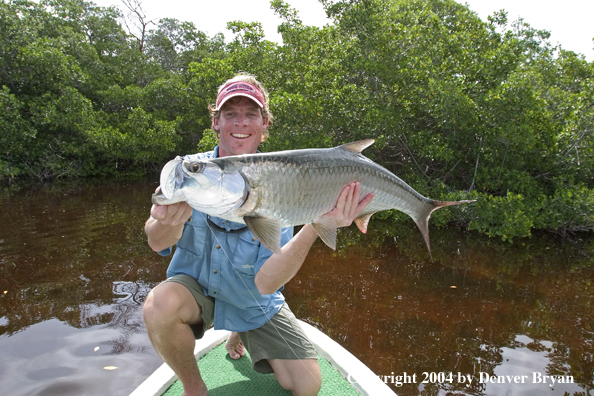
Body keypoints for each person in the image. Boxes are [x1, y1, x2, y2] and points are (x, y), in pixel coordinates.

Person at [143, 73, 373, 396]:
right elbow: (155, 240)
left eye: (251, 114)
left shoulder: (284, 179)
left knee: (308, 384)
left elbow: (266, 283)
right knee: (158, 306)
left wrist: (317, 223)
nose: (240, 122)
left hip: (254, 302)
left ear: (264, 126)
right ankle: (194, 387)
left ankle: (240, 329)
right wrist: (168, 221)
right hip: (199, 293)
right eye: (230, 113)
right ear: (216, 122)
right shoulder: (192, 172)